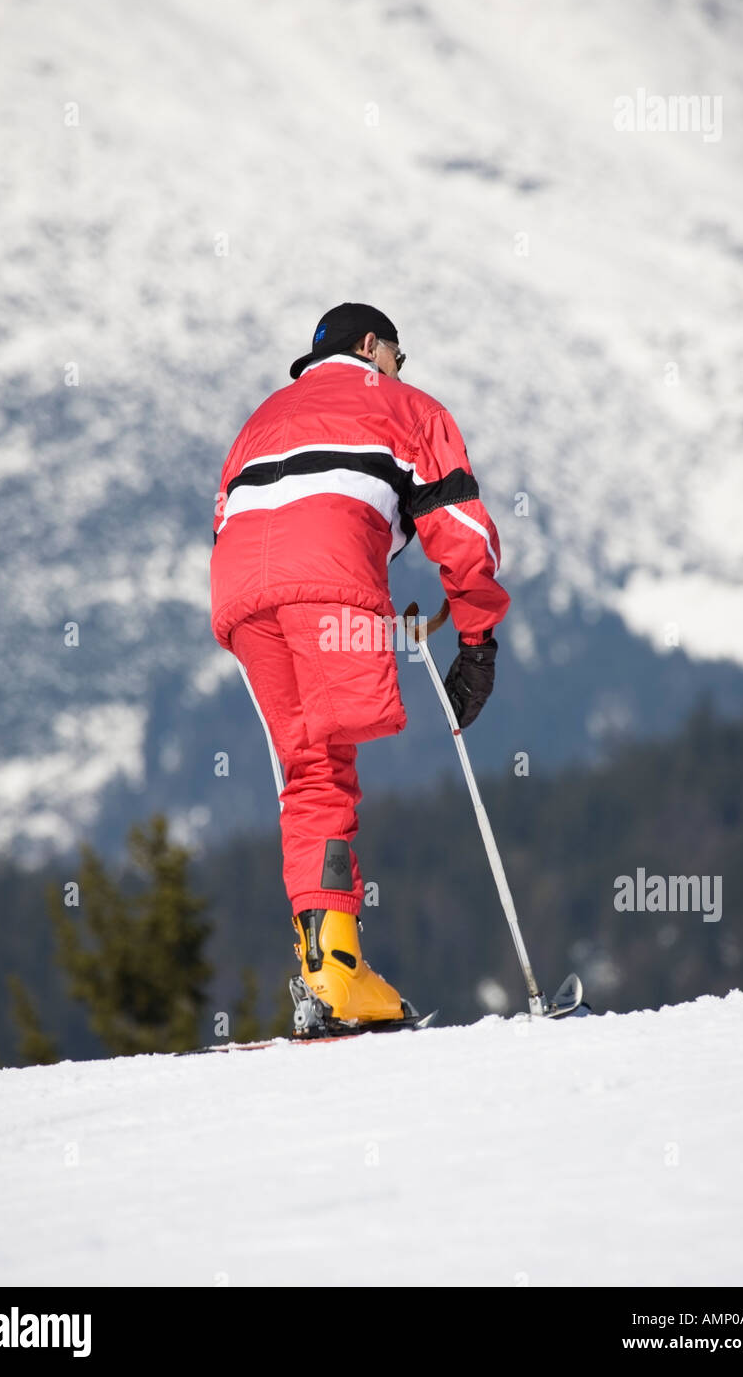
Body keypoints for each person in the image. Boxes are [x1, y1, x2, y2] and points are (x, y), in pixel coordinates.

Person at [211, 303, 510, 1028]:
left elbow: (230, 516)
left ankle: (330, 969)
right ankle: (338, 974)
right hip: (328, 585)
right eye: (398, 357)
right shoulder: (407, 407)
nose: (401, 371)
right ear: (372, 346)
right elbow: (461, 532)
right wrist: (475, 643)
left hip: (237, 592)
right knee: (333, 765)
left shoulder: (260, 418)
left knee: (307, 769)